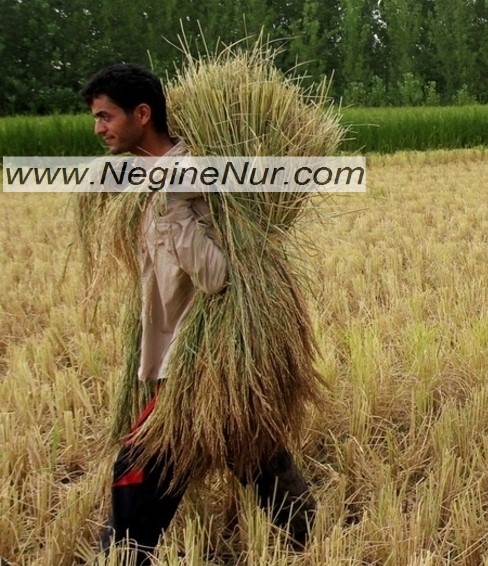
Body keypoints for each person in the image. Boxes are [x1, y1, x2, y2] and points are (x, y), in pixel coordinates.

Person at [80, 63, 315, 562]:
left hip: (202, 352)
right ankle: (307, 534)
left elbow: (217, 276)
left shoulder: (192, 181)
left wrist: (176, 211)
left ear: (142, 114)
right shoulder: (152, 177)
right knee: (248, 441)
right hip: (191, 348)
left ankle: (123, 554)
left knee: (143, 459)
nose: (98, 128)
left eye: (106, 117)